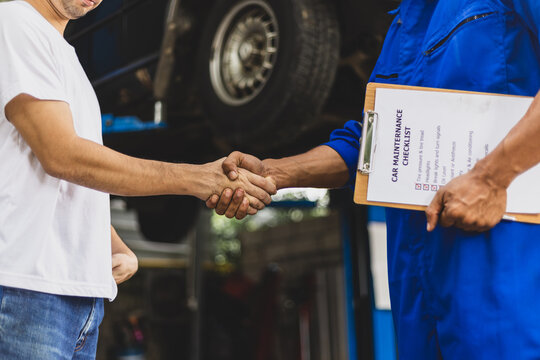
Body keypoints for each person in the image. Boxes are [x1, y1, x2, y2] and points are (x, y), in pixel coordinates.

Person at [208, 0, 540, 358]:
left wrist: (492, 178)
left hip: (507, 282)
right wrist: (275, 173)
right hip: (418, 300)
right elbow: (370, 142)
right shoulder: (402, 26)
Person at [0, 0, 276, 358]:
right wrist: (197, 179)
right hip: (24, 290)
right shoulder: (14, 20)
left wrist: (110, 243)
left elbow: (55, 180)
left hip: (77, 298)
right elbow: (61, 156)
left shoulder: (64, 55)